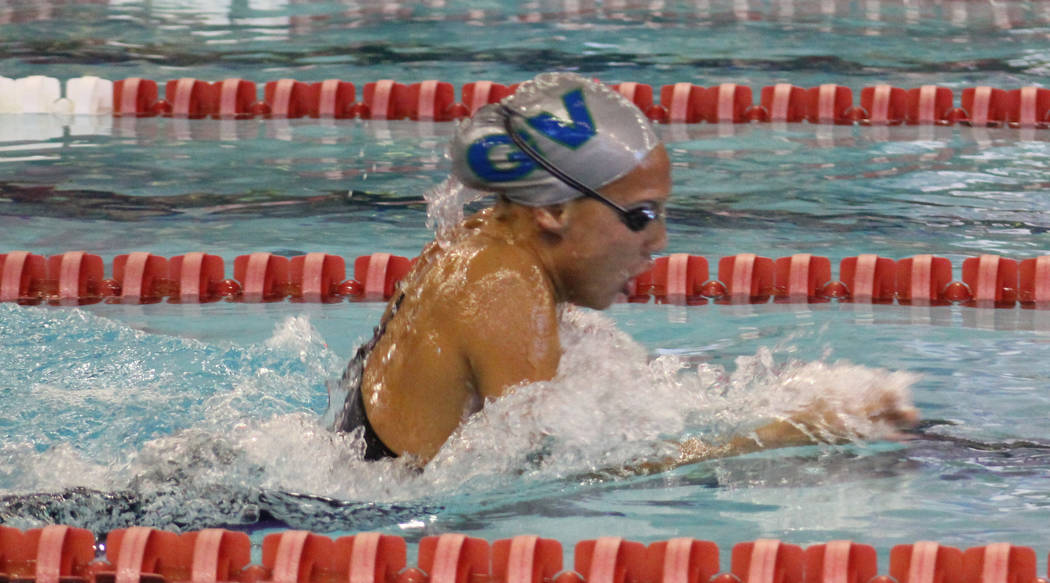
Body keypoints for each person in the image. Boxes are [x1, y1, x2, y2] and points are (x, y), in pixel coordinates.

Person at [333, 72, 918, 467]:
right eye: (640, 215)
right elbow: (553, 477)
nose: (658, 241)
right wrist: (782, 434)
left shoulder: (489, 250)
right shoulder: (501, 284)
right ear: (556, 209)